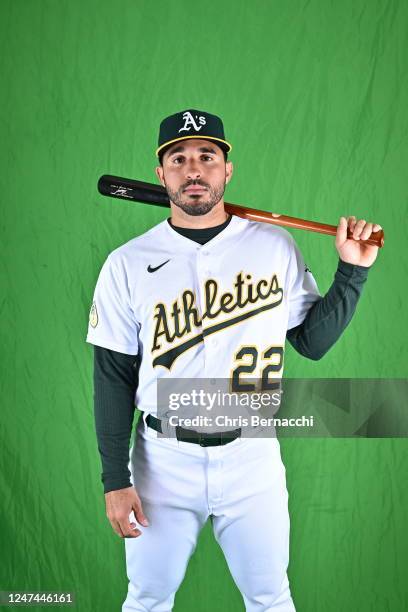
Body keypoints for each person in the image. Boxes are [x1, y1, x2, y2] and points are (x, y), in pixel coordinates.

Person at [86, 109, 381, 611]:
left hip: (253, 459)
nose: (193, 169)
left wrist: (352, 273)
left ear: (227, 170)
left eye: (207, 156)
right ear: (161, 176)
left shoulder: (274, 246)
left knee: (270, 597)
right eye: (178, 159)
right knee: (147, 596)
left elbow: (311, 342)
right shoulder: (126, 263)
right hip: (161, 459)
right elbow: (111, 378)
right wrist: (116, 480)